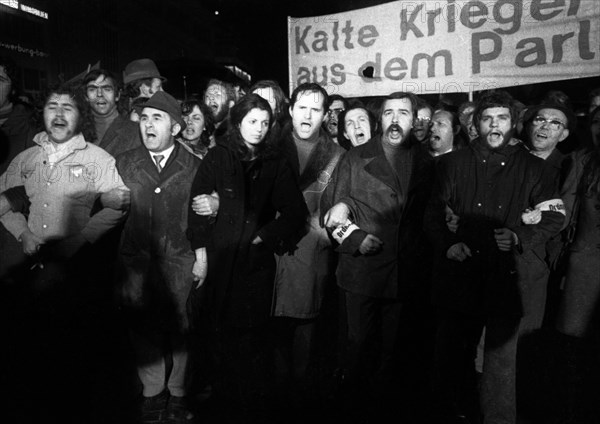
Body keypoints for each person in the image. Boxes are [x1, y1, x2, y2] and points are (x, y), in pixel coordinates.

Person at [425, 90, 564, 424]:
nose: (495, 125)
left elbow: (555, 215)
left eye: (502, 118)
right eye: (487, 119)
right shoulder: (451, 164)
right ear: (477, 124)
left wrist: (520, 235)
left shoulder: (534, 168)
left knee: (501, 361)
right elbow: (430, 213)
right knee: (453, 356)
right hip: (461, 273)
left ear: (513, 123)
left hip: (506, 277)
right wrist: (447, 244)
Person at [187, 94, 307, 416]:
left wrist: (263, 236)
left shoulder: (274, 162)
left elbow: (295, 212)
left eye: (265, 123)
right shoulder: (218, 157)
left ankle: (251, 406)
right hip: (221, 258)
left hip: (254, 264)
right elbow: (196, 208)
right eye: (252, 121)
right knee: (219, 336)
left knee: (252, 340)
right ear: (238, 122)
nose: (258, 129)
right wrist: (201, 255)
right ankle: (223, 403)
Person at [321, 91, 434, 407]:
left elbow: (432, 217)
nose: (396, 120)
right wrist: (355, 239)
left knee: (393, 353)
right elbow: (329, 210)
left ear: (414, 120)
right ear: (380, 119)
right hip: (362, 272)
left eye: (403, 113)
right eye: (389, 113)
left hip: (405, 274)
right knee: (358, 349)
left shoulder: (425, 161)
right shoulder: (355, 158)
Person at [115, 91, 199, 424]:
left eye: (157, 118)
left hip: (180, 260)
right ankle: (153, 393)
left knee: (181, 326)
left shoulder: (194, 166)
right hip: (137, 261)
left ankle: (178, 392)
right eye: (145, 118)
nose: (148, 124)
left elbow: (205, 218)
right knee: (142, 325)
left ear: (176, 128)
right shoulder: (124, 162)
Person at [272, 83, 344, 398]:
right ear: (290, 110)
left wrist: (323, 236)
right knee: (272, 333)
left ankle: (298, 400)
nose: (308, 115)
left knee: (305, 335)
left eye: (316, 110)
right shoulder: (270, 146)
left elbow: (344, 204)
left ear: (325, 115)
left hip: (310, 256)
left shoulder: (337, 156)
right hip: (270, 255)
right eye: (302, 107)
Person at [553, 105, 600, 423]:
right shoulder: (582, 161)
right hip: (586, 266)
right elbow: (563, 215)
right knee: (574, 350)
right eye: (597, 121)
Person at [82, 68, 140, 157]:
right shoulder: (76, 132)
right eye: (92, 89)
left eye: (106, 89)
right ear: (86, 96)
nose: (100, 94)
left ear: (117, 95)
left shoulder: (135, 132)